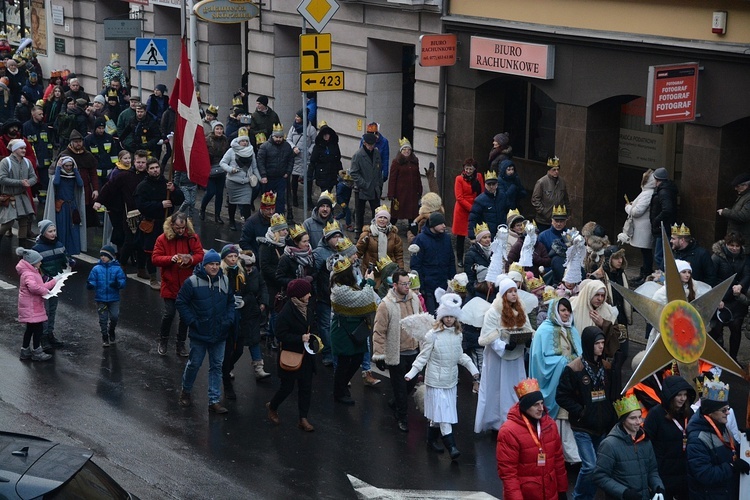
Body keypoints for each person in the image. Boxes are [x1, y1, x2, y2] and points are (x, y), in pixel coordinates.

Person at [406, 293, 479, 460]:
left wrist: (473, 369)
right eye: (446, 317)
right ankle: (451, 447)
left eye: (452, 317)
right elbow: (423, 356)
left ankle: (430, 440)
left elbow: (460, 356)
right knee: (444, 415)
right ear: (441, 317)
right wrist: (412, 373)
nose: (449, 320)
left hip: (451, 381)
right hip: (435, 381)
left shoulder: (457, 335)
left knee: (437, 416)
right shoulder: (432, 335)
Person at [556, 326, 618, 500]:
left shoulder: (606, 367)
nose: (600, 346)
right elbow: (561, 396)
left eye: (602, 343)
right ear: (588, 344)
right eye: (597, 343)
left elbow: (612, 393)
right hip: (582, 426)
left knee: (599, 467)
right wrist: (580, 411)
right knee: (590, 466)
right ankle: (579, 496)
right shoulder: (574, 368)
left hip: (602, 426)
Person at [177, 249, 236, 414]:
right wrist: (192, 321)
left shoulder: (224, 281)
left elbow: (231, 302)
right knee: (194, 364)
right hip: (199, 333)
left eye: (217, 264)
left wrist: (228, 320)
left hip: (220, 333)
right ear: (204, 265)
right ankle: (186, 391)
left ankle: (214, 400)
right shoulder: (192, 282)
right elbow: (181, 302)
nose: (215, 267)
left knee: (216, 366)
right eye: (212, 264)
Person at [474, 278, 533, 433]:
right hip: (498, 359)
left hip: (516, 357)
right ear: (504, 294)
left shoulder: (521, 309)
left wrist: (526, 341)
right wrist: (504, 346)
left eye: (515, 291)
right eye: (510, 291)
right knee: (497, 389)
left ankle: (516, 419)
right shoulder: (493, 312)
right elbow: (490, 336)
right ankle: (497, 422)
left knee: (515, 387)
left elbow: (527, 328)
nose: (514, 294)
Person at [496, 378, 568, 500]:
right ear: (525, 406)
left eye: (541, 403)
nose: (541, 408)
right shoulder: (508, 432)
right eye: (535, 405)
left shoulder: (550, 424)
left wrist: (562, 491)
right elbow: (508, 474)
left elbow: (558, 462)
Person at [529, 297, 582, 463]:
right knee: (559, 418)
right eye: (563, 310)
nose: (566, 314)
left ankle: (570, 454)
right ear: (555, 311)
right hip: (554, 381)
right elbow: (540, 360)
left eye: (568, 310)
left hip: (570, 381)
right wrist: (565, 362)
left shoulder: (572, 330)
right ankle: (561, 454)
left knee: (568, 418)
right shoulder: (544, 331)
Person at [372, 269, 424, 432]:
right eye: (403, 284)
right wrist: (379, 355)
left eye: (408, 283)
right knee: (401, 389)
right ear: (394, 285)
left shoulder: (415, 299)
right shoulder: (386, 305)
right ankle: (402, 417)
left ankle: (395, 402)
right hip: (397, 354)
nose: (407, 286)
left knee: (411, 385)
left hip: (414, 352)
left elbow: (422, 320)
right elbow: (379, 331)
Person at [266, 278, 317, 432]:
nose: (309, 295)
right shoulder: (286, 312)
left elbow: (312, 325)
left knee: (306, 387)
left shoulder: (307, 308)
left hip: (306, 355)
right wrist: (299, 338)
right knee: (287, 387)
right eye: (306, 293)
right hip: (291, 354)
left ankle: (303, 418)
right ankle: (273, 406)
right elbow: (280, 334)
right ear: (298, 296)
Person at [220, 244, 270, 401]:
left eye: (251, 265)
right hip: (236, 315)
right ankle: (226, 369)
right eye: (247, 265)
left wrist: (263, 302)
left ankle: (258, 367)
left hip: (251, 312)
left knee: (254, 340)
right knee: (235, 347)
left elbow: (261, 287)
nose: (249, 268)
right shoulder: (233, 273)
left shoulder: (253, 272)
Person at [686, 375, 749, 498]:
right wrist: (731, 467)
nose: (728, 413)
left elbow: (732, 450)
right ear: (710, 412)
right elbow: (704, 474)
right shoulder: (697, 438)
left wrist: (746, 440)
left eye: (728, 409)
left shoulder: (721, 426)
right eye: (724, 410)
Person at [151, 212, 204, 356]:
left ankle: (181, 344)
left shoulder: (192, 237)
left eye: (183, 228)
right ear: (172, 225)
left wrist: (190, 259)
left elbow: (200, 254)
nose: (181, 231)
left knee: (185, 316)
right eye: (178, 228)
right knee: (169, 314)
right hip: (170, 282)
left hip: (187, 284)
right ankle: (163, 340)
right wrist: (170, 259)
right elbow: (155, 258)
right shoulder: (162, 239)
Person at [592, 394, 665, 500]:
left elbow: (652, 470)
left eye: (640, 417)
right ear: (623, 420)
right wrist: (624, 492)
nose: (638, 422)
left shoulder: (645, 441)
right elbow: (600, 476)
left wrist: (658, 487)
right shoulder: (609, 444)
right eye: (633, 418)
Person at [330, 256, 378, 405]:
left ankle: (343, 385)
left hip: (355, 329)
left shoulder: (345, 286)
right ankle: (339, 391)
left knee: (357, 358)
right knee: (344, 362)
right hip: (343, 331)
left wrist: (364, 282)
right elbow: (363, 298)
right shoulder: (339, 291)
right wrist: (370, 282)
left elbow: (358, 292)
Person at [643, 375, 696, 500]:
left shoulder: (690, 413)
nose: (683, 399)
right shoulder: (655, 414)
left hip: (685, 472)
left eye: (685, 394)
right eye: (679, 395)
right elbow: (647, 443)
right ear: (670, 396)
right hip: (664, 473)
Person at [135, 157, 185, 290]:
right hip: (152, 222)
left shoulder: (167, 183)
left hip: (168, 223)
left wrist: (174, 190)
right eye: (151, 168)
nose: (155, 170)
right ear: (147, 170)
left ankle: (169, 276)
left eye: (156, 167)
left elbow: (180, 199)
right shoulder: (143, 186)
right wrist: (160, 205)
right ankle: (152, 277)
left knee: (169, 251)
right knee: (152, 251)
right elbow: (141, 205)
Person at [32, 220, 72, 351]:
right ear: (43, 233)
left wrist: (69, 262)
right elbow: (34, 268)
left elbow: (64, 260)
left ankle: (50, 334)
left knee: (53, 310)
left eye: (54, 231)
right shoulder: (37, 249)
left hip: (56, 283)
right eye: (50, 231)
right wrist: (44, 277)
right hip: (44, 285)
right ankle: (43, 338)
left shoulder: (59, 245)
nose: (53, 233)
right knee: (45, 311)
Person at [709, 232, 750, 361]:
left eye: (737, 246)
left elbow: (747, 275)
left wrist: (741, 286)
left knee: (736, 329)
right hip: (721, 298)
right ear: (726, 245)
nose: (734, 248)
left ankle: (733, 358)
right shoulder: (717, 258)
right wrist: (717, 298)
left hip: (736, 299)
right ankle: (716, 354)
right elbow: (712, 278)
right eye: (731, 245)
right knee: (716, 329)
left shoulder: (744, 258)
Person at [570, 280, 620, 376]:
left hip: (599, 358)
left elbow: (616, 334)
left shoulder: (608, 311)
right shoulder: (574, 307)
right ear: (589, 294)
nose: (600, 299)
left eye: (602, 295)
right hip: (576, 357)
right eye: (596, 295)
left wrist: (603, 324)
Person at [15, 247, 55, 362]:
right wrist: (46, 291)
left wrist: (53, 282)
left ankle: (25, 350)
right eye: (38, 261)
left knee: (30, 329)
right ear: (32, 262)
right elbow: (34, 288)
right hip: (33, 307)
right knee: (38, 329)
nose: (40, 262)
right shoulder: (29, 274)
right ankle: (37, 351)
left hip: (32, 306)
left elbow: (39, 286)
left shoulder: (30, 272)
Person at [411, 212, 456, 314]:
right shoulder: (420, 239)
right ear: (432, 225)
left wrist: (453, 280)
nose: (444, 226)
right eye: (440, 223)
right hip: (428, 286)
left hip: (444, 284)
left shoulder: (446, 238)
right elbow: (416, 265)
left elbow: (451, 260)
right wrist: (421, 286)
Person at [43, 156, 86, 257]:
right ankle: (61, 251)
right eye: (66, 166)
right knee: (62, 229)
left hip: (72, 206)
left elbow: (80, 183)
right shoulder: (58, 175)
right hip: (61, 207)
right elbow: (56, 182)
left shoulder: (73, 175)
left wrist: (75, 170)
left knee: (72, 230)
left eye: (71, 166)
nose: (68, 168)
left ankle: (70, 252)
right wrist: (58, 168)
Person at [258, 213, 289, 349]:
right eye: (283, 230)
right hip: (270, 284)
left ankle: (271, 335)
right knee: (276, 312)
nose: (286, 232)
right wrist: (279, 275)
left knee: (278, 312)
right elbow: (264, 267)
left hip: (280, 283)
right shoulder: (266, 246)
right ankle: (275, 337)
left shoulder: (284, 245)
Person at [86, 245, 127, 347]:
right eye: (101, 255)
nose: (102, 257)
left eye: (105, 255)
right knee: (103, 319)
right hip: (101, 299)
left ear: (111, 256)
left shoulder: (117, 269)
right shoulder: (96, 269)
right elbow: (92, 280)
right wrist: (91, 285)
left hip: (114, 299)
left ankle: (111, 330)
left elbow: (122, 281)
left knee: (114, 316)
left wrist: (118, 284)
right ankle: (104, 336)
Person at [59, 129, 101, 228]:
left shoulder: (87, 155)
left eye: (80, 141)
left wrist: (95, 189)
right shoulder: (65, 155)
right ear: (71, 142)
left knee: (86, 214)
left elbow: (93, 174)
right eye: (76, 142)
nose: (78, 144)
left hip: (85, 190)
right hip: (70, 189)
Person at [0, 139, 37, 246]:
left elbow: (33, 177)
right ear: (15, 149)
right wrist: (20, 183)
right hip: (9, 197)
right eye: (21, 148)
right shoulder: (5, 162)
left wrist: (28, 183)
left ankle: (22, 247)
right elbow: (2, 179)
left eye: (24, 148)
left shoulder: (27, 162)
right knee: (8, 223)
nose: (24, 150)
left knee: (24, 222)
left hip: (22, 196)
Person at [220, 129, 259, 231]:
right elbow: (222, 163)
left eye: (246, 141)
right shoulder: (231, 151)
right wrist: (230, 169)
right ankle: (232, 221)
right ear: (238, 141)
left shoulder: (251, 151)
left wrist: (260, 178)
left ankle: (247, 224)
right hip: (233, 182)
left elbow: (254, 167)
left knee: (246, 204)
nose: (245, 143)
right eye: (243, 141)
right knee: (232, 203)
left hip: (246, 183)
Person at [624, 169, 656, 284]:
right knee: (645, 252)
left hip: (644, 228)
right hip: (643, 227)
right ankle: (644, 273)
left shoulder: (647, 194)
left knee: (646, 252)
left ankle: (646, 275)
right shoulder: (647, 193)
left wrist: (628, 207)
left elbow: (637, 211)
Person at [356, 204, 404, 278]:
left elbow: (399, 255)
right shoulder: (367, 234)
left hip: (389, 271)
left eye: (385, 218)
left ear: (388, 220)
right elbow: (358, 251)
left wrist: (401, 270)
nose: (382, 220)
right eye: (380, 217)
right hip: (371, 270)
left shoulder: (394, 237)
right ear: (376, 218)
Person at [257, 124, 294, 215]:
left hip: (281, 177)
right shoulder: (265, 147)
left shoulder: (287, 146)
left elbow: (291, 160)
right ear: (272, 136)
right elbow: (260, 162)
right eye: (276, 137)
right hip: (268, 178)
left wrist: (288, 172)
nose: (278, 139)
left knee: (280, 199)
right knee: (267, 199)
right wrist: (263, 175)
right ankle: (266, 215)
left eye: (280, 137)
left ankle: (279, 216)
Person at [350, 132, 382, 234]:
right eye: (369, 144)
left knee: (376, 212)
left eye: (373, 144)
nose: (371, 147)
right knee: (360, 213)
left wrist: (379, 185)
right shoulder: (358, 155)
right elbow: (354, 173)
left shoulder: (376, 153)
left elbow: (379, 169)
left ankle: (375, 232)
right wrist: (364, 184)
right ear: (365, 143)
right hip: (362, 189)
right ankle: (358, 233)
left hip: (375, 189)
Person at [453, 158, 483, 265]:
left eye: (470, 169)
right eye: (466, 169)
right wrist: (471, 208)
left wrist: (478, 207)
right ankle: (460, 259)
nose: (468, 171)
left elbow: (482, 192)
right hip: (462, 210)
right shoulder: (459, 179)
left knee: (475, 235)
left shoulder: (478, 177)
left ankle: (473, 258)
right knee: (460, 237)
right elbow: (459, 197)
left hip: (475, 208)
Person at [649, 167, 678, 271]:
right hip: (664, 226)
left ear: (657, 179)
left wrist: (656, 220)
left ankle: (665, 276)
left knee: (659, 255)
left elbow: (667, 209)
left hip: (663, 227)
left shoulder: (663, 192)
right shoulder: (666, 189)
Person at [201, 120, 230, 224]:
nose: (219, 131)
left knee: (219, 194)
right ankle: (203, 208)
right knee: (210, 192)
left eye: (221, 129)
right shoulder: (207, 140)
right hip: (210, 169)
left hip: (221, 169)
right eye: (217, 129)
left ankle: (217, 215)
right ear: (213, 130)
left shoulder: (225, 140)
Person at [387, 138, 421, 225]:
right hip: (400, 193)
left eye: (409, 149)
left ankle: (412, 229)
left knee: (412, 214)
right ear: (401, 150)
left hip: (412, 193)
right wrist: (391, 194)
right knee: (396, 213)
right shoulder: (396, 162)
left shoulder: (414, 161)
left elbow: (418, 176)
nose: (407, 151)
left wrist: (419, 190)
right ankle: (389, 228)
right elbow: (392, 179)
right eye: (405, 149)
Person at [287, 109, 317, 207]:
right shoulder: (293, 128)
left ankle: (308, 199)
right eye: (296, 116)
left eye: (298, 117)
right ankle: (294, 198)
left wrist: (309, 151)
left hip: (305, 158)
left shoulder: (311, 129)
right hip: (296, 157)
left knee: (308, 180)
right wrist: (293, 147)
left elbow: (314, 142)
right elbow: (288, 139)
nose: (296, 118)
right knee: (294, 179)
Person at [531, 157, 569, 232]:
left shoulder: (562, 182)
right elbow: (535, 200)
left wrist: (568, 212)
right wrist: (544, 212)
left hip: (558, 219)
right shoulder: (541, 182)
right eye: (554, 170)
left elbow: (565, 198)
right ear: (549, 170)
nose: (556, 172)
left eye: (558, 169)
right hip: (544, 221)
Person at [717, 173, 750, 253]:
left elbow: (744, 216)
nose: (735, 188)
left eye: (738, 186)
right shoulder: (743, 196)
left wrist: (725, 212)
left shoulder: (748, 198)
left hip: (741, 240)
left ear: (746, 185)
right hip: (736, 238)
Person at [468, 170, 505, 240]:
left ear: (497, 185)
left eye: (493, 184)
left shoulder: (502, 197)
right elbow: (473, 218)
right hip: (486, 235)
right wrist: (472, 236)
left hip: (501, 234)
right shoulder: (480, 200)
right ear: (485, 185)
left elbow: (506, 212)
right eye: (489, 184)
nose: (491, 186)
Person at [308, 122, 341, 202]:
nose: (326, 136)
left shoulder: (334, 145)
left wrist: (340, 172)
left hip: (332, 173)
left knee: (329, 193)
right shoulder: (318, 146)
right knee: (325, 194)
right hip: (322, 174)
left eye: (328, 134)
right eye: (324, 134)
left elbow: (337, 159)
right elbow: (313, 161)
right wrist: (310, 175)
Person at [240, 191, 276, 257]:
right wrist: (256, 256)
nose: (271, 212)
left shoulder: (277, 220)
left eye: (273, 209)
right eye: (268, 209)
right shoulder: (251, 222)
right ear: (262, 208)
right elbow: (244, 243)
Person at [464, 222, 492, 299]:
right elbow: (469, 275)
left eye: (489, 237)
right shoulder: (470, 254)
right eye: (484, 237)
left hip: (492, 290)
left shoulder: (493, 251)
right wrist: (474, 290)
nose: (488, 240)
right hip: (479, 290)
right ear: (479, 239)